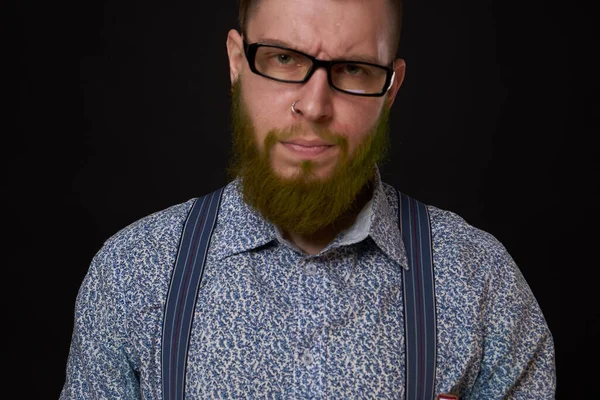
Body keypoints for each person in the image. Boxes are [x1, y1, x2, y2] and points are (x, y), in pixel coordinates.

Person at [60, 0, 556, 398]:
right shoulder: (131, 274)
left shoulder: (481, 283)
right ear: (237, 62)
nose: (315, 105)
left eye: (354, 69)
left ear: (392, 88)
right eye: (284, 58)